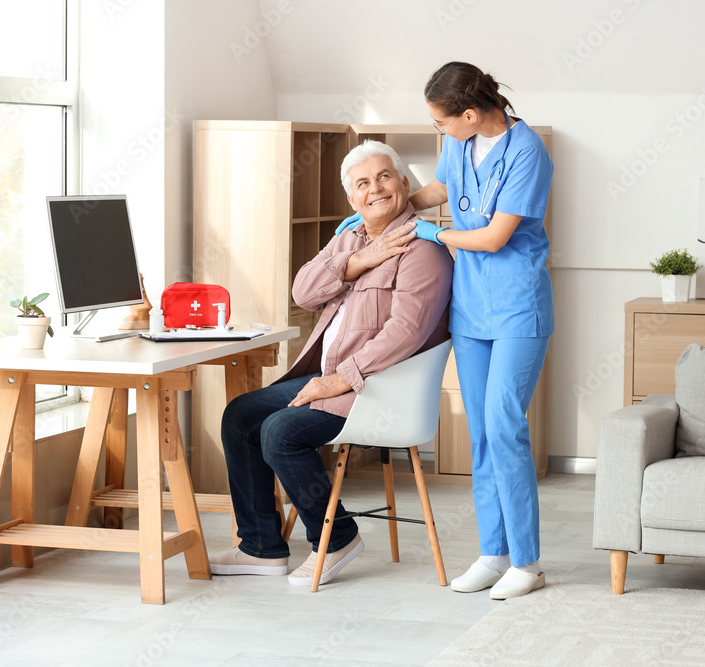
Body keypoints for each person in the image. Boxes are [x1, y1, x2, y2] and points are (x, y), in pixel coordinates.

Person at [337, 62, 553, 599]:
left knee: (505, 426)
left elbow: (496, 236)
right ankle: (493, 553)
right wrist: (382, 210)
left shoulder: (528, 152)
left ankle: (527, 561)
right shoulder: (461, 144)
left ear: (471, 114)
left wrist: (430, 233)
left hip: (517, 307)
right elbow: (440, 187)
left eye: (441, 122)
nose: (440, 130)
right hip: (472, 308)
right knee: (480, 433)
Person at [211, 140, 453, 587]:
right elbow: (303, 292)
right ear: (351, 198)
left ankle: (338, 536)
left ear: (404, 183)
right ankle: (261, 546)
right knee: (241, 415)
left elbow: (404, 333)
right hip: (330, 379)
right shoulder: (348, 237)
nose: (375, 189)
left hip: (375, 390)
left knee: (279, 432)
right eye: (362, 183)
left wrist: (340, 379)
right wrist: (359, 260)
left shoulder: (425, 251)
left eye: (384, 177)